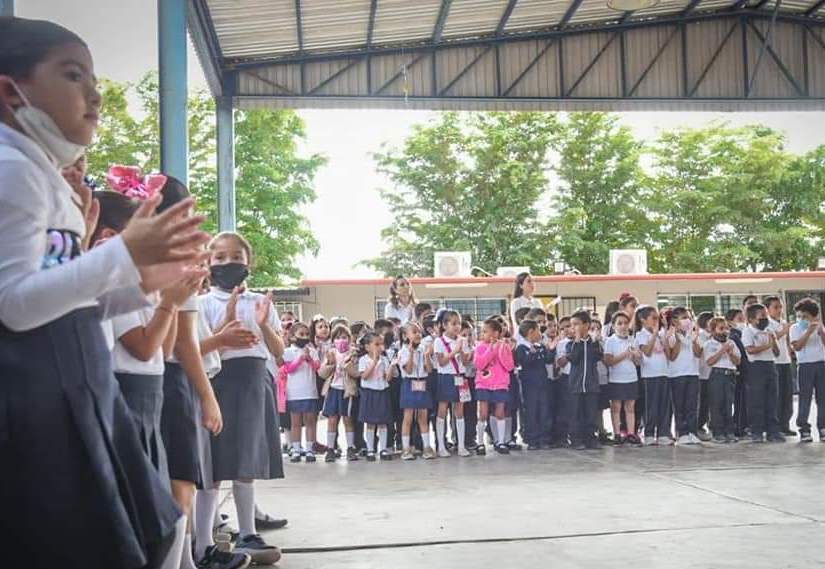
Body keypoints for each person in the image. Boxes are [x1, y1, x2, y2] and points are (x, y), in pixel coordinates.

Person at [0, 17, 216, 568]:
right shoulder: (12, 172)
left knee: (154, 531)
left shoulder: (40, 176)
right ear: (10, 91)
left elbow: (67, 303)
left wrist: (141, 282)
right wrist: (121, 257)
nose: (95, 92)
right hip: (34, 408)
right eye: (74, 75)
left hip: (76, 392)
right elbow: (14, 305)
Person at [200, 232, 283, 565]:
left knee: (246, 461)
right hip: (219, 382)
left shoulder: (262, 301)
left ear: (249, 261)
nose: (228, 263)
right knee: (213, 464)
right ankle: (203, 540)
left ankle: (248, 532)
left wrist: (263, 324)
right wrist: (229, 314)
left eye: (236, 256)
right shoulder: (203, 302)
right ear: (208, 262)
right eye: (219, 257)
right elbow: (207, 350)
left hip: (253, 381)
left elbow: (278, 351)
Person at [741, 303, 784, 443]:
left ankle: (773, 431)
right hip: (756, 367)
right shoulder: (748, 331)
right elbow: (750, 350)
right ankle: (756, 431)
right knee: (757, 400)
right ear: (752, 319)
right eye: (762, 317)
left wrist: (774, 341)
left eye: (765, 316)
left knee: (772, 399)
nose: (765, 319)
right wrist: (767, 345)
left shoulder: (768, 329)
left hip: (770, 365)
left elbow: (776, 352)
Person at [319, 325, 360, 462]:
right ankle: (330, 448)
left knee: (347, 419)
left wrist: (348, 365)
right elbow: (322, 373)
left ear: (349, 339)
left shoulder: (353, 354)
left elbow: (356, 373)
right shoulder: (331, 353)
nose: (341, 340)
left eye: (344, 337)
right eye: (337, 337)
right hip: (333, 390)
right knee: (332, 419)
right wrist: (330, 364)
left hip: (346, 391)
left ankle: (350, 447)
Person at [474, 318, 515, 455]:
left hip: (500, 384)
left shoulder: (505, 346)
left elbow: (509, 366)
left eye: (486, 331)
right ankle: (480, 443)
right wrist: (491, 349)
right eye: (482, 331)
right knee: (483, 413)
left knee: (500, 412)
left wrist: (501, 349)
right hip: (484, 384)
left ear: (496, 333)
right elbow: (480, 364)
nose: (482, 334)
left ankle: (501, 441)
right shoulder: (479, 347)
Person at [433, 310, 471, 457]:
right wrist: (455, 350)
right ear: (444, 325)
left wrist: (462, 351)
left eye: (459, 323)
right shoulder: (439, 341)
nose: (457, 327)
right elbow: (441, 362)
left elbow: (466, 362)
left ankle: (461, 445)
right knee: (442, 410)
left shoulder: (462, 340)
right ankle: (441, 446)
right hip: (446, 377)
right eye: (453, 323)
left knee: (459, 411)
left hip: (460, 377)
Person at [566, 310, 604, 451]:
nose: (573, 327)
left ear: (586, 325)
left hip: (591, 384)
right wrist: (577, 341)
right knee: (576, 413)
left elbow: (598, 356)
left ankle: (591, 438)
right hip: (576, 384)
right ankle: (576, 439)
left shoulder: (593, 343)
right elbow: (573, 358)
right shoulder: (571, 344)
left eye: (576, 324)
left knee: (590, 413)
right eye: (572, 325)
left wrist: (594, 341)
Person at [635, 306, 673, 445]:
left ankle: (663, 433)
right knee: (651, 405)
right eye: (654, 318)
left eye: (658, 318)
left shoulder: (662, 334)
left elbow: (669, 355)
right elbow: (647, 352)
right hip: (650, 376)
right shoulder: (641, 335)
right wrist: (654, 334)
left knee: (664, 405)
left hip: (664, 373)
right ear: (643, 320)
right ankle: (649, 433)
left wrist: (664, 339)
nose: (657, 321)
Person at [397, 322, 436, 460]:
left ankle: (427, 447)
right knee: (408, 418)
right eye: (414, 332)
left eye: (419, 332)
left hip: (422, 383)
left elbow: (429, 369)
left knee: (423, 417)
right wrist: (412, 354)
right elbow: (407, 370)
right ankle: (406, 448)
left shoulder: (424, 349)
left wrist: (426, 357)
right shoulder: (403, 351)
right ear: (405, 336)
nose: (418, 334)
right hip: (409, 384)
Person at [284, 322, 321, 462]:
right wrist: (300, 358)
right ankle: (296, 448)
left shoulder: (312, 350)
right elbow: (289, 369)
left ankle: (310, 448)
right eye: (301, 334)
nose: (305, 337)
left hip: (310, 391)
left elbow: (317, 367)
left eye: (307, 334)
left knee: (310, 421)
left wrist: (309, 358)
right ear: (293, 337)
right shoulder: (288, 352)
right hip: (294, 392)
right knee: (295, 422)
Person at [789, 298, 825, 443]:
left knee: (822, 398)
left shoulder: (820, 327)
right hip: (805, 366)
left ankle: (822, 427)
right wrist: (808, 332)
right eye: (799, 316)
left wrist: (820, 331)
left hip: (821, 364)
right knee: (804, 398)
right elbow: (797, 346)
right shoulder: (795, 328)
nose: (802, 319)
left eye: (805, 316)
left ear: (813, 316)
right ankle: (804, 428)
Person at [665, 307, 703, 445]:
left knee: (692, 405)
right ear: (674, 321)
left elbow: (699, 354)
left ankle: (692, 432)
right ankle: (682, 433)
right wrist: (678, 338)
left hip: (693, 373)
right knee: (679, 405)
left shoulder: (694, 335)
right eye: (683, 318)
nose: (687, 320)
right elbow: (673, 357)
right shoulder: (670, 336)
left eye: (688, 317)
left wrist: (693, 339)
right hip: (677, 375)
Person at [516, 320, 554, 450]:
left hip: (543, 385)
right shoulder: (522, 348)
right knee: (531, 412)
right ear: (531, 332)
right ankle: (532, 439)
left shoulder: (541, 346)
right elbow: (524, 363)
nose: (540, 333)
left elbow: (548, 360)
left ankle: (544, 438)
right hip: (529, 387)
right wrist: (532, 354)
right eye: (538, 330)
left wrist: (550, 349)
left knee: (544, 411)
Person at [604, 312, 641, 446]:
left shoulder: (633, 340)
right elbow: (608, 361)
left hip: (631, 377)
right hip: (616, 379)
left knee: (630, 406)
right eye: (619, 323)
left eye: (626, 323)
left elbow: (638, 363)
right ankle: (617, 433)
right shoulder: (610, 341)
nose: (623, 326)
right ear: (614, 326)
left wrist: (636, 356)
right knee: (616, 407)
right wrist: (625, 354)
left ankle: (631, 433)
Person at [358, 331, 396, 461]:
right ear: (367, 347)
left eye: (382, 344)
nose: (380, 347)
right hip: (369, 393)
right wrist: (374, 362)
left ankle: (383, 449)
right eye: (376, 344)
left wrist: (391, 366)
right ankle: (370, 450)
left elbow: (388, 378)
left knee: (383, 422)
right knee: (370, 423)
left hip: (382, 391)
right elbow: (364, 376)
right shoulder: (363, 360)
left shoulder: (384, 359)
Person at [704, 317, 742, 443]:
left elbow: (738, 361)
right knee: (717, 404)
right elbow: (710, 361)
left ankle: (729, 431)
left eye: (726, 328)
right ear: (713, 330)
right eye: (721, 329)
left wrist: (730, 353)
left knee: (728, 404)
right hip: (717, 375)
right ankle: (717, 432)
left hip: (730, 375)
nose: (724, 331)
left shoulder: (732, 343)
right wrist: (722, 350)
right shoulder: (709, 344)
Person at [764, 296, 795, 436]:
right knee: (776, 396)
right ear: (768, 309)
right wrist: (784, 331)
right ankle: (774, 426)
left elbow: (787, 342)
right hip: (774, 362)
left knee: (787, 394)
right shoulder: (767, 323)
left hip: (786, 361)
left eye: (780, 307)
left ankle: (785, 424)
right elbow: (773, 337)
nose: (779, 310)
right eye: (775, 307)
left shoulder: (783, 322)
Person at [726, 308, 750, 437]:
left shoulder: (744, 333)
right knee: (739, 400)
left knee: (745, 400)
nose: (743, 321)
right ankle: (738, 426)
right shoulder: (733, 336)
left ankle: (744, 425)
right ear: (730, 322)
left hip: (747, 371)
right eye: (739, 319)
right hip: (739, 372)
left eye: (743, 318)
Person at [551, 316, 574, 447]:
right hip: (566, 377)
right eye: (563, 328)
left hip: (581, 377)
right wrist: (570, 354)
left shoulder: (584, 341)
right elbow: (561, 363)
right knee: (565, 409)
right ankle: (563, 436)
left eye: (569, 326)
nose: (567, 329)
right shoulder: (561, 344)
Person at [695, 311, 715, 441]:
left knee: (713, 402)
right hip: (702, 374)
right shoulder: (701, 337)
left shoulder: (718, 336)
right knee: (702, 402)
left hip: (715, 373)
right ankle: (699, 425)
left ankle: (712, 425)